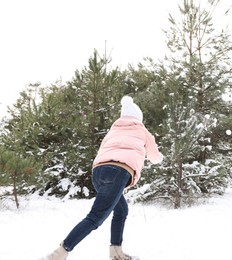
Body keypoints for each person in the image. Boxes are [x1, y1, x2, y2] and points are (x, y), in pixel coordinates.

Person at [44, 96, 163, 260]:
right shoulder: (142, 131)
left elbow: (103, 151)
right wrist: (158, 157)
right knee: (94, 218)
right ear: (138, 118)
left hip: (98, 172)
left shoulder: (113, 131)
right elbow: (155, 157)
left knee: (121, 211)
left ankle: (116, 252)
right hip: (119, 172)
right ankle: (59, 253)